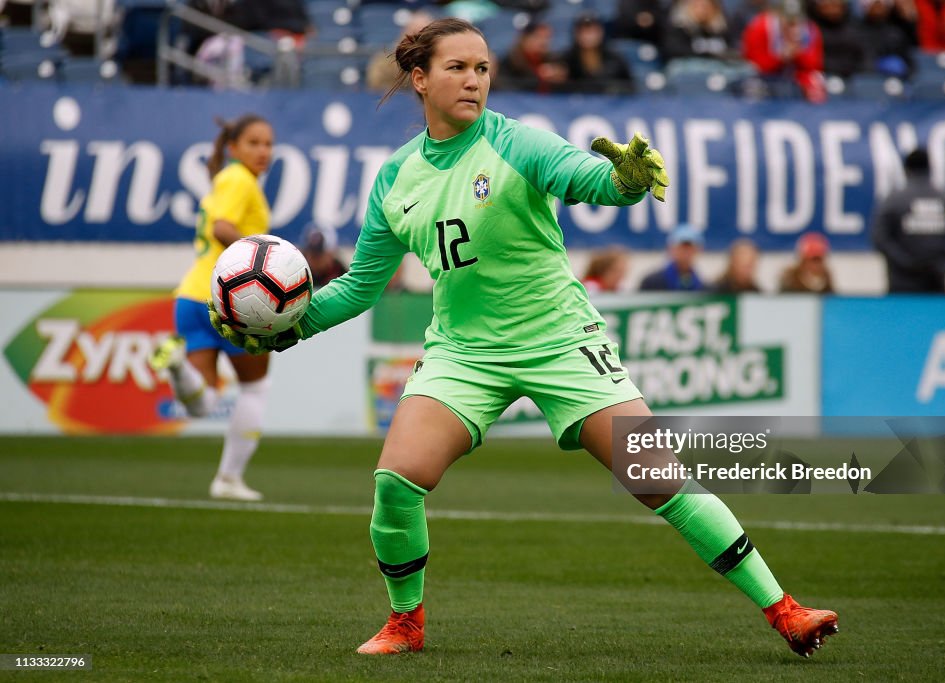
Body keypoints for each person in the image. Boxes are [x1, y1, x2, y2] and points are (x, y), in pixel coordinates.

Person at [210, 18, 837, 658]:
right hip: (464, 354)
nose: (474, 80)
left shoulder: (519, 144)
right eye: (457, 67)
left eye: (482, 68)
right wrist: (293, 327)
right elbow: (361, 286)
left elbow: (585, 176)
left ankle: (786, 611)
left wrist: (622, 181)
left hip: (561, 339)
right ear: (420, 79)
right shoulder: (396, 179)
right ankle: (406, 623)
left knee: (658, 478)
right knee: (397, 482)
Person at [148, 114, 275, 502]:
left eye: (268, 144)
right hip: (230, 299)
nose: (263, 151)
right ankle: (228, 479)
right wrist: (261, 258)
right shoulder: (239, 179)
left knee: (203, 401)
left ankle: (176, 367)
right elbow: (223, 228)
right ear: (234, 147)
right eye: (254, 143)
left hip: (190, 295)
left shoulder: (224, 179)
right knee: (255, 388)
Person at [871, 148, 945, 294]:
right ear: (930, 169)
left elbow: (879, 239)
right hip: (936, 282)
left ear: (906, 170)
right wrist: (943, 265)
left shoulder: (893, 201)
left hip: (901, 284)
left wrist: (906, 263)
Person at [741, 0, 827, 102]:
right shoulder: (760, 27)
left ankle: (810, 115)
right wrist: (781, 58)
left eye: (795, 20)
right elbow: (755, 64)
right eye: (787, 19)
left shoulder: (810, 29)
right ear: (777, 15)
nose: (791, 24)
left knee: (816, 84)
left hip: (794, 78)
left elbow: (815, 65)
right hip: (765, 77)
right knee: (752, 86)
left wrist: (798, 53)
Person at [561, 13, 634, 95]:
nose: (588, 36)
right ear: (576, 34)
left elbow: (630, 87)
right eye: (583, 31)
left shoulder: (616, 59)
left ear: (601, 32)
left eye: (592, 31)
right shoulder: (566, 60)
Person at [497, 20, 567, 93]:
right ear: (525, 38)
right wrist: (538, 77)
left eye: (547, 37)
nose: (544, 42)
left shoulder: (554, 60)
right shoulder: (509, 62)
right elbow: (507, 88)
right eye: (538, 36)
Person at [638, 222, 705, 291]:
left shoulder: (702, 285)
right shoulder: (651, 283)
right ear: (670, 248)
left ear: (698, 250)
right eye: (681, 247)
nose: (685, 252)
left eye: (689, 247)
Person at [301, 223, 348, 289]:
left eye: (319, 256)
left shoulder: (340, 273)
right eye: (313, 255)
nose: (316, 261)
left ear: (330, 254)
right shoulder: (301, 274)